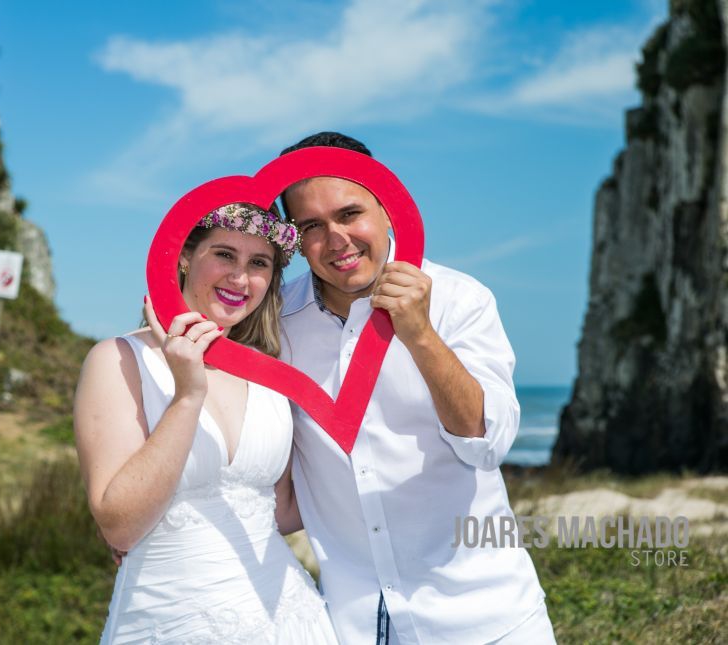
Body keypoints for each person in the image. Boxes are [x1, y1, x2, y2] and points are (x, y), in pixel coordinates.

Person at [276, 132, 557, 644]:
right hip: (350, 621)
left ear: (387, 209)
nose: (336, 238)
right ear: (293, 240)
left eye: (349, 213)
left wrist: (420, 333)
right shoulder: (275, 325)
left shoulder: (459, 299)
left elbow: (485, 440)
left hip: (482, 617)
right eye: (311, 225)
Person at [73, 203, 339, 644]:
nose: (239, 278)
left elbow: (286, 509)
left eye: (259, 263)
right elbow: (119, 525)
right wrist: (187, 395)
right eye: (224, 255)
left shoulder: (269, 373)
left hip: (291, 619)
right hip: (170, 620)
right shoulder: (118, 360)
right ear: (184, 257)